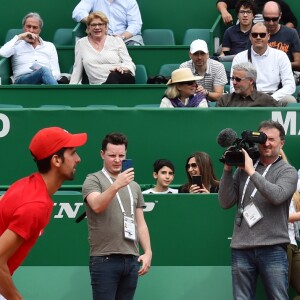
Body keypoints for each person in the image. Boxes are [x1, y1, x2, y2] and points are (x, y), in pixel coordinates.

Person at [0, 127, 87, 300]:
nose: (78, 159)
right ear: (56, 160)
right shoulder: (35, 205)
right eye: (73, 153)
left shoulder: (26, 185)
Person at [218, 119, 298, 299]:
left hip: (273, 247)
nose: (266, 144)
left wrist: (251, 172)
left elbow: (277, 196)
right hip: (241, 247)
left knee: (278, 297)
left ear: (282, 143)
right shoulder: (243, 169)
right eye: (262, 139)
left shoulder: (287, 171)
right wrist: (227, 170)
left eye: (271, 139)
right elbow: (225, 202)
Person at [82, 132, 152, 300]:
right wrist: (117, 185)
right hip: (104, 258)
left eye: (121, 155)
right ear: (102, 154)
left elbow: (140, 222)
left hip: (131, 258)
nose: (117, 160)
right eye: (112, 155)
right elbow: (97, 205)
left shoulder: (134, 186)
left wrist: (148, 251)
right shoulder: (93, 179)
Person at [231, 22, 296, 104]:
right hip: (247, 98)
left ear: (268, 36)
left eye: (262, 35)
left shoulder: (281, 56)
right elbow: (233, 87)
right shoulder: (239, 57)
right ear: (250, 37)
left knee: (290, 100)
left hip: (274, 97)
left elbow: (290, 86)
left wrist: (270, 98)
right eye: (255, 35)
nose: (258, 37)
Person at [70, 11, 136, 85]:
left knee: (113, 75)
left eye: (100, 24)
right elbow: (77, 70)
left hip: (121, 79)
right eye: (93, 25)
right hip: (98, 85)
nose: (97, 27)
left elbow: (129, 63)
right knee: (110, 80)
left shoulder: (117, 40)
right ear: (88, 27)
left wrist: (122, 68)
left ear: (106, 26)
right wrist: (71, 90)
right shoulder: (81, 43)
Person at [0, 12, 61, 85]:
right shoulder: (16, 45)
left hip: (46, 80)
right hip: (23, 80)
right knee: (43, 70)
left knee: (44, 71)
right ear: (23, 28)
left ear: (40, 30)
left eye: (35, 27)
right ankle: (60, 95)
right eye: (28, 26)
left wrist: (46, 80)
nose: (31, 30)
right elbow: (2, 53)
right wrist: (19, 37)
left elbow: (56, 72)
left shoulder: (49, 46)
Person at [72, 0, 143, 46]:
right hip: (100, 38)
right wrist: (94, 21)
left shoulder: (130, 1)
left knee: (135, 47)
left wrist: (121, 37)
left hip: (126, 39)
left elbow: (135, 24)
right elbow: (77, 12)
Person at [280, 149, 300, 297]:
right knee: (280, 292)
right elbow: (274, 216)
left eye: (279, 157)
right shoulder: (265, 183)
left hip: (293, 243)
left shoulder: (293, 183)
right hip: (279, 243)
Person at [263, 1, 300, 72]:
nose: (271, 23)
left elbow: (298, 63)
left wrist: (279, 64)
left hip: (285, 74)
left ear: (280, 15)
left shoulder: (291, 33)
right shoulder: (256, 33)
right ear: (263, 16)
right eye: (267, 19)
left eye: (274, 19)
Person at [216, 0, 297, 28]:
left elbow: (292, 21)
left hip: (264, 37)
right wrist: (224, 12)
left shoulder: (273, 3)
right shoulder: (242, 1)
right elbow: (221, 2)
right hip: (241, 36)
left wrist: (279, 31)